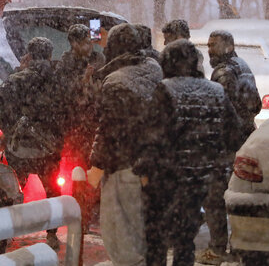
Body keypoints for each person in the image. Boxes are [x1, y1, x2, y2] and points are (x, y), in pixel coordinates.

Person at [134, 39, 243, 266]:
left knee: (157, 241)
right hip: (201, 181)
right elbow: (234, 135)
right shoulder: (216, 92)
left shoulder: (165, 89)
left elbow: (152, 137)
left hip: (166, 180)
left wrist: (144, 171)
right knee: (185, 240)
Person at [87, 23, 163, 266]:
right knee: (143, 232)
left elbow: (109, 128)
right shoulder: (154, 69)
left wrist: (96, 166)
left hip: (123, 168)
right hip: (154, 164)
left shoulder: (116, 81)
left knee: (120, 237)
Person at [0, 37, 63, 249]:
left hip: (19, 148)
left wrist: (11, 132)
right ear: (49, 55)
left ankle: (8, 231)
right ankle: (52, 234)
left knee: (14, 187)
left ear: (29, 56)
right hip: (49, 148)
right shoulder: (59, 80)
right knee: (52, 191)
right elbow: (67, 113)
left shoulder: (16, 80)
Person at [197, 30, 262, 264]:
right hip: (245, 140)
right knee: (237, 197)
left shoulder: (224, 72)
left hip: (227, 145)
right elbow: (256, 104)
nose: (209, 49)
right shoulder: (242, 65)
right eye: (209, 44)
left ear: (228, 46)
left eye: (214, 45)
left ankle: (216, 249)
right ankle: (239, 246)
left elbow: (220, 111)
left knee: (214, 197)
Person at [55, 23, 105, 167]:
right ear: (74, 44)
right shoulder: (66, 63)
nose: (89, 46)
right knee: (76, 165)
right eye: (84, 43)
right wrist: (83, 80)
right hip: (75, 124)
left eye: (90, 42)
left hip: (95, 122)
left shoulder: (98, 59)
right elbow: (62, 91)